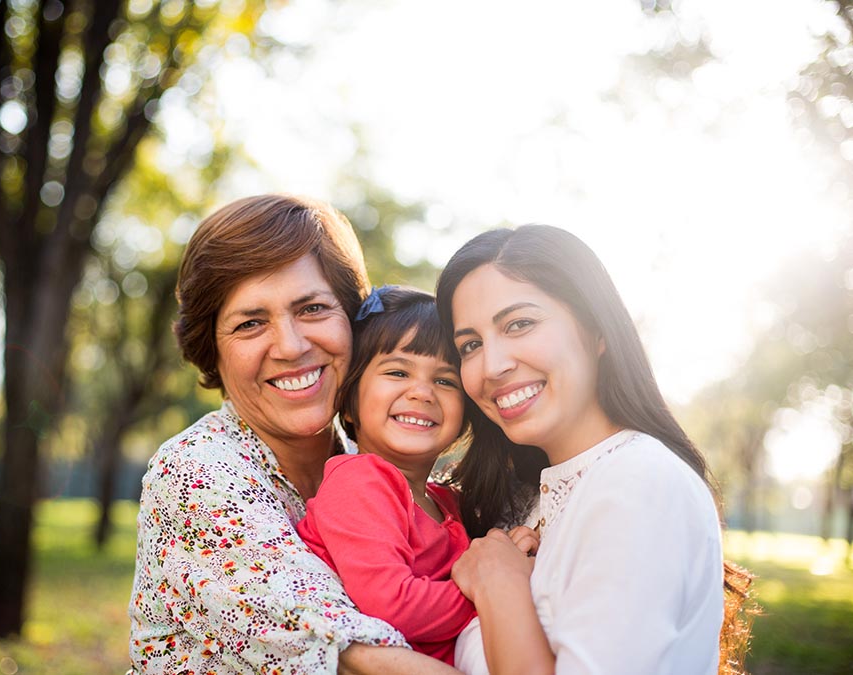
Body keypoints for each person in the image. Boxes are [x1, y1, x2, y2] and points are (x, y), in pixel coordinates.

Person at [127, 194, 459, 674]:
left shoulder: (368, 465)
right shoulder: (197, 473)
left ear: (353, 323)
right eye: (250, 323)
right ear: (211, 349)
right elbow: (357, 658)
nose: (291, 345)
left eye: (312, 309)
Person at [435, 224, 741, 675]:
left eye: (520, 323)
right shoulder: (530, 500)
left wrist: (499, 582)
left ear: (597, 330)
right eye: (471, 345)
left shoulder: (639, 481)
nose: (492, 366)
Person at [296, 286, 483, 665]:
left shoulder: (447, 501)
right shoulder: (360, 481)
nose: (422, 392)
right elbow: (392, 604)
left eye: (445, 380)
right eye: (398, 371)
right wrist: (492, 592)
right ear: (349, 404)